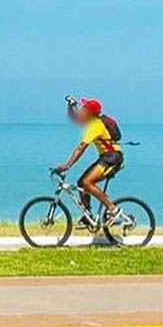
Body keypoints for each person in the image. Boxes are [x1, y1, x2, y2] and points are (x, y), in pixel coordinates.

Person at [54, 95, 123, 228]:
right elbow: (74, 118)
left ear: (89, 113)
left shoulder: (95, 126)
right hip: (106, 157)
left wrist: (68, 165)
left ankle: (113, 210)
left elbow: (81, 147)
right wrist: (70, 106)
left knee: (87, 182)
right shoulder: (92, 122)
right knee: (81, 183)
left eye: (84, 108)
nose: (82, 109)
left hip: (112, 158)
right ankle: (88, 216)